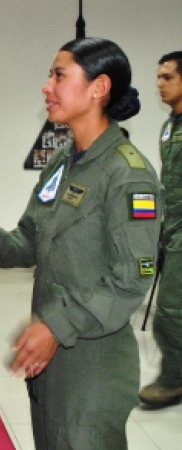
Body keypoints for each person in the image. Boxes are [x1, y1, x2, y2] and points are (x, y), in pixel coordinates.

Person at [0, 38, 161, 450]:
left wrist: (57, 327)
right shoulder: (64, 160)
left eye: (59, 75)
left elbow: (132, 281)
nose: (47, 86)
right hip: (51, 357)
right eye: (50, 75)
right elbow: (31, 239)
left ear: (99, 88)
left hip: (91, 367)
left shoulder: (129, 175)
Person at [139, 50, 182, 408]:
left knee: (169, 310)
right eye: (158, 77)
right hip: (173, 227)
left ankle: (173, 380)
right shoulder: (170, 126)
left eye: (167, 77)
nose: (159, 84)